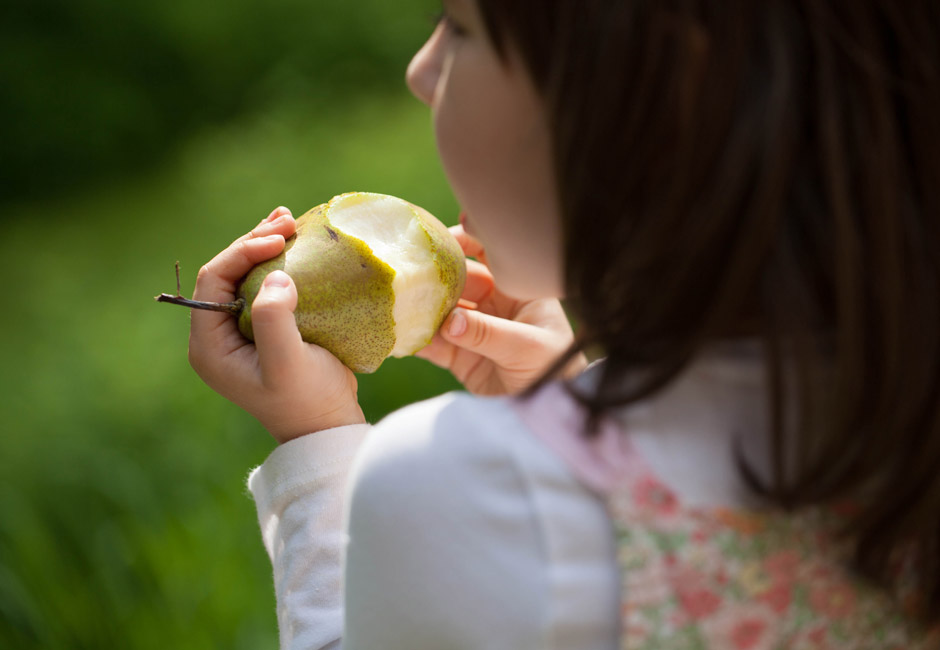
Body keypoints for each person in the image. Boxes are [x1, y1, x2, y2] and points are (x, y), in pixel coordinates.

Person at [184, 0, 940, 648]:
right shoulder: (900, 394)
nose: (421, 70)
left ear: (654, 89)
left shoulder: (447, 488)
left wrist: (318, 451)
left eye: (461, 28)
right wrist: (567, 409)